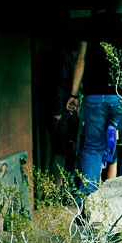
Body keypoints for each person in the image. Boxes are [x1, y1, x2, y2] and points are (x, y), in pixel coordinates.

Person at [66, 0, 122, 206]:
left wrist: (74, 94)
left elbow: (81, 60)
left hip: (93, 96)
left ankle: (87, 202)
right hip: (121, 95)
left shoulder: (92, 25)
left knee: (93, 147)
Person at [37, 39, 79, 187]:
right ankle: (56, 188)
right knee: (59, 152)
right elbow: (57, 84)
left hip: (58, 108)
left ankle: (57, 188)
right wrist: (57, 112)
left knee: (59, 152)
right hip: (60, 110)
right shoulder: (62, 55)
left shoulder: (58, 53)